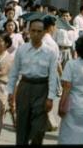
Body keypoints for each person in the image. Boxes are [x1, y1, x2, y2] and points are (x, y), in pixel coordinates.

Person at [6, 17, 58, 145]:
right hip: (25, 87)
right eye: (33, 30)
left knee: (39, 128)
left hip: (42, 89)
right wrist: (10, 92)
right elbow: (14, 73)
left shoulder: (50, 51)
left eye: (39, 31)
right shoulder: (22, 50)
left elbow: (53, 76)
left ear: (44, 32)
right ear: (28, 31)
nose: (36, 34)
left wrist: (51, 98)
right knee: (22, 124)